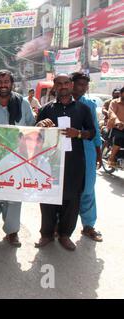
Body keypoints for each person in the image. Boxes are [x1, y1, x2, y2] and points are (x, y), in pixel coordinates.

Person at [35, 73, 96, 251]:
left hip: (74, 162)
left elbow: (92, 133)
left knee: (71, 200)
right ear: (54, 86)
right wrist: (40, 126)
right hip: (50, 161)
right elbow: (35, 134)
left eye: (66, 83)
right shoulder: (46, 109)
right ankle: (46, 234)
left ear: (71, 85)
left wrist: (77, 133)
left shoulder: (83, 109)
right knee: (47, 198)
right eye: (59, 83)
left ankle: (65, 235)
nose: (62, 86)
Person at [0, 70, 36, 247]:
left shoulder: (23, 103)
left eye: (7, 81)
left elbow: (32, 128)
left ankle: (12, 232)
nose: (3, 85)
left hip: (18, 160)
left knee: (14, 195)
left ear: (12, 84)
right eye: (0, 82)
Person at [71, 72, 103, 242]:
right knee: (66, 190)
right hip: (68, 154)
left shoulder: (89, 105)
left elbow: (96, 131)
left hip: (87, 151)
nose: (83, 88)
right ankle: (59, 226)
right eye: (80, 84)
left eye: (85, 85)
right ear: (71, 84)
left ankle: (88, 226)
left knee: (88, 189)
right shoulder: (63, 103)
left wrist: (98, 154)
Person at [107, 87, 124, 167]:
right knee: (119, 138)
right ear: (121, 94)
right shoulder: (114, 102)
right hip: (115, 127)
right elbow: (111, 113)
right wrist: (117, 122)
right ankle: (111, 157)